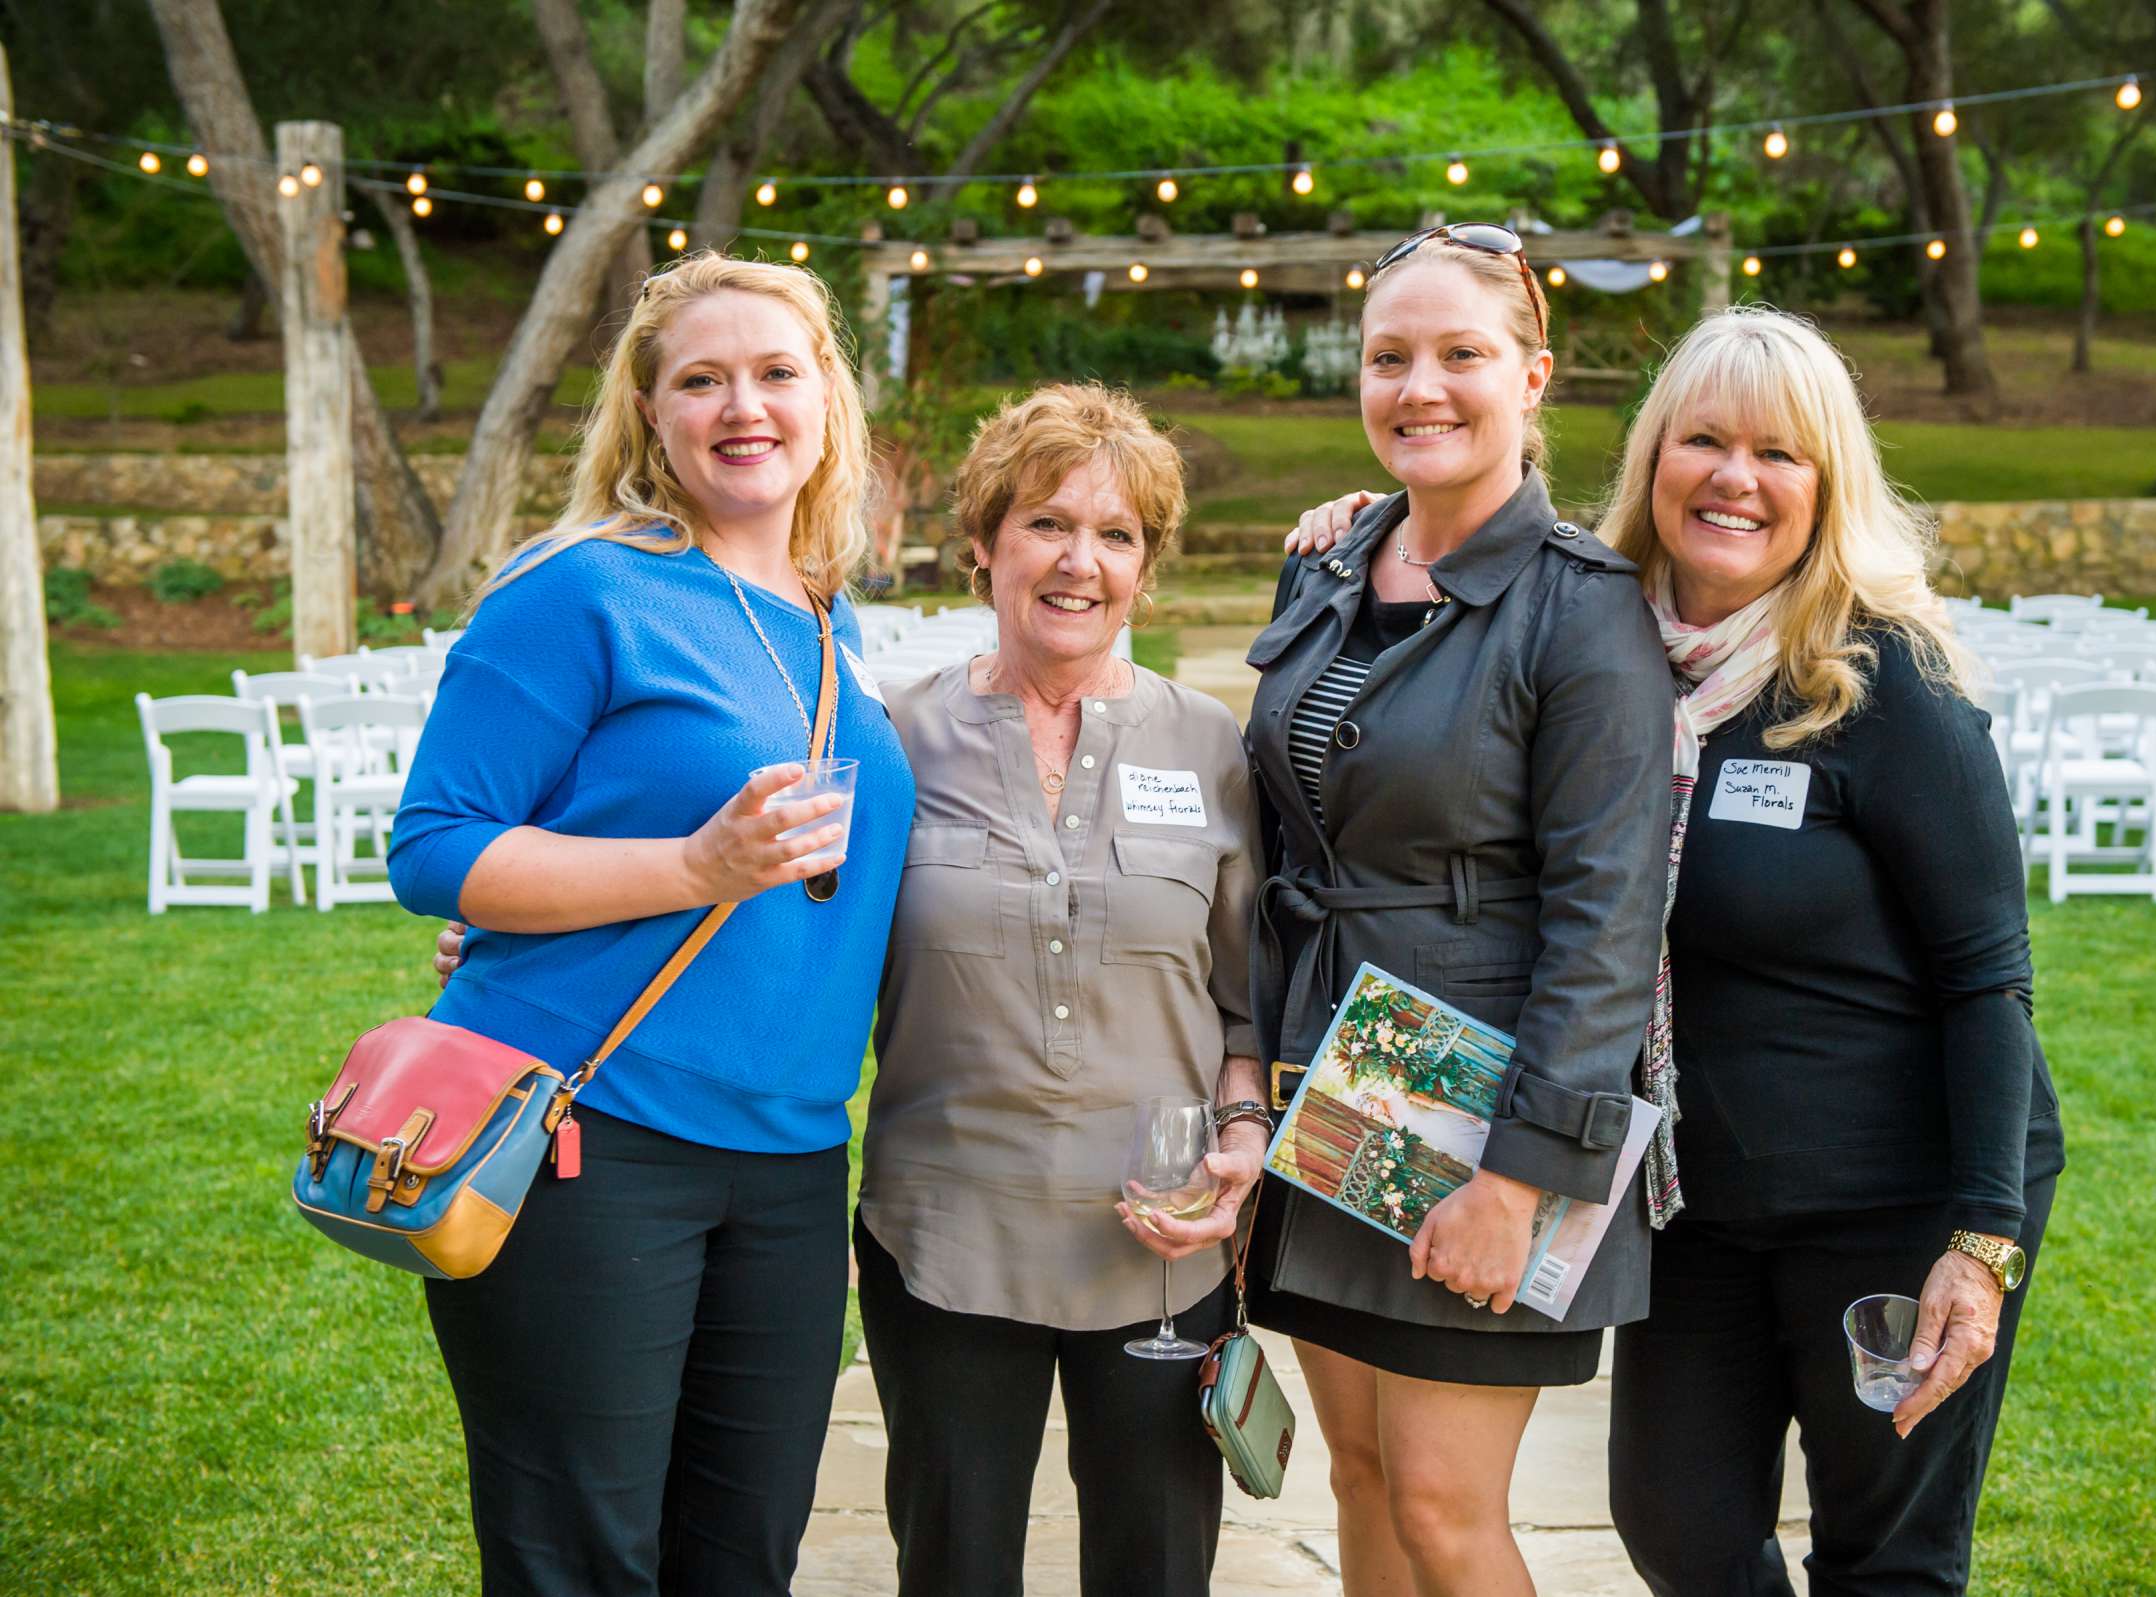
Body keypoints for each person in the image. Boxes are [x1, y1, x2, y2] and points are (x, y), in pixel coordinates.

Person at [1289, 304, 2064, 1595]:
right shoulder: (1601, 637)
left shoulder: (1888, 686)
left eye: (1780, 454)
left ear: (1831, 484)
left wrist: (1978, 1252)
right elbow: (1462, 556)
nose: (1736, 478)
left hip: (1890, 1207)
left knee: (1889, 1559)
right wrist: (1363, 525)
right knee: (1677, 1529)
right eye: (1704, 440)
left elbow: (1991, 982)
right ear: (1656, 458)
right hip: (1686, 1201)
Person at [391, 251, 912, 1597]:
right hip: (594, 1140)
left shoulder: (829, 615)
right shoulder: (582, 587)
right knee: (583, 1561)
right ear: (651, 414)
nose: (746, 405)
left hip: (796, 1163)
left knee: (739, 1558)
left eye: (777, 372)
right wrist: (691, 863)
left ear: (827, 401)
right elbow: (436, 845)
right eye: (703, 379)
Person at [1245, 223, 1676, 1597]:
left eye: (1460, 355)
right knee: (1358, 1475)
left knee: (1443, 1506)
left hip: (1471, 1106)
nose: (1419, 386)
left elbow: (1610, 919)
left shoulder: (1584, 612)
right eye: (1389, 357)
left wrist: (1521, 1175)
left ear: (1534, 375)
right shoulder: (1324, 570)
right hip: (1331, 1093)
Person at [855, 382, 1267, 1596]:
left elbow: (1246, 995)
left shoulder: (1209, 746)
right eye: (1046, 522)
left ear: (1146, 566)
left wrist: (1242, 1127)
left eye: (1118, 533)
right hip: (946, 1235)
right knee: (955, 1563)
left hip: (1162, 1242)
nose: (1080, 560)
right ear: (983, 544)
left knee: (1155, 1568)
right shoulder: (893, 740)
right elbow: (793, 955)